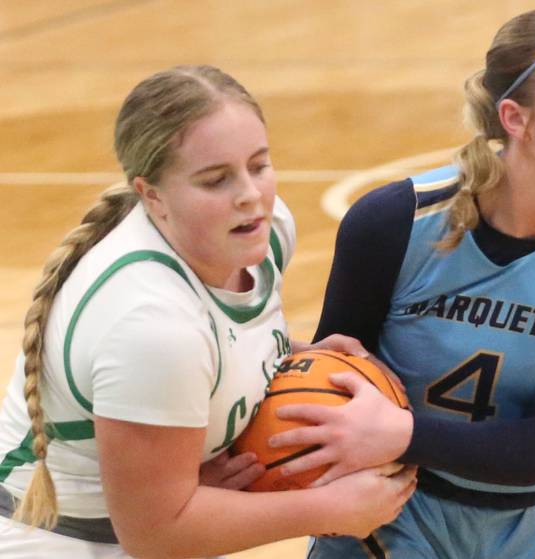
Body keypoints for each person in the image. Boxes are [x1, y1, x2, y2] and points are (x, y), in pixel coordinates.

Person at [268, 9, 535, 558]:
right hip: (392, 514)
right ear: (516, 118)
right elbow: (329, 391)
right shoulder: (394, 224)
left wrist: (401, 432)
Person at [0, 65, 416, 558]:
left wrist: (296, 356)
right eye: (216, 180)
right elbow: (156, 535)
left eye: (258, 166)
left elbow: (219, 351)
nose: (250, 195)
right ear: (151, 194)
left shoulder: (263, 232)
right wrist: (329, 508)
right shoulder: (151, 323)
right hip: (58, 542)